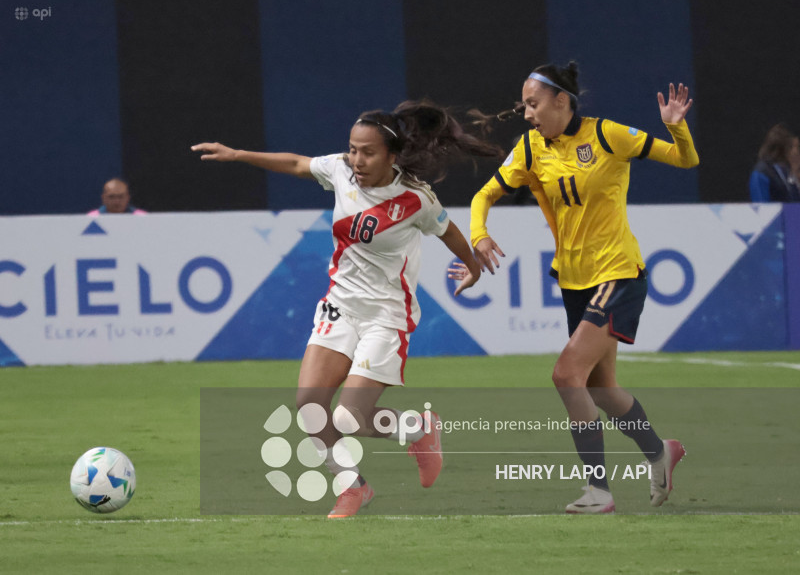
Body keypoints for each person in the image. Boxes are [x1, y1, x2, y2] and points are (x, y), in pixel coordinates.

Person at [192, 100, 501, 518]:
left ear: (392, 155)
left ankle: (418, 429)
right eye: (353, 149)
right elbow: (297, 163)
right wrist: (238, 154)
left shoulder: (415, 198)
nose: (356, 159)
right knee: (310, 405)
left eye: (368, 152)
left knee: (349, 417)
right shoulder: (340, 170)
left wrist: (473, 267)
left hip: (387, 316)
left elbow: (448, 232)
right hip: (339, 306)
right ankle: (352, 488)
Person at [463, 62, 699, 513]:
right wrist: (479, 235)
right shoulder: (530, 147)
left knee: (565, 375)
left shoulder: (608, 135)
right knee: (602, 390)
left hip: (618, 273)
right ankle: (660, 452)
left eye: (533, 104)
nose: (526, 113)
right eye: (524, 105)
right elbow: (483, 196)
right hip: (573, 281)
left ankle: (598, 491)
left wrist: (676, 128)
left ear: (561, 101)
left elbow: (685, 159)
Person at [749, 124, 800, 202]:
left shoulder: (785, 171)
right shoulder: (761, 173)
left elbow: (794, 201)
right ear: (785, 148)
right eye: (795, 147)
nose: (796, 152)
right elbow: (761, 204)